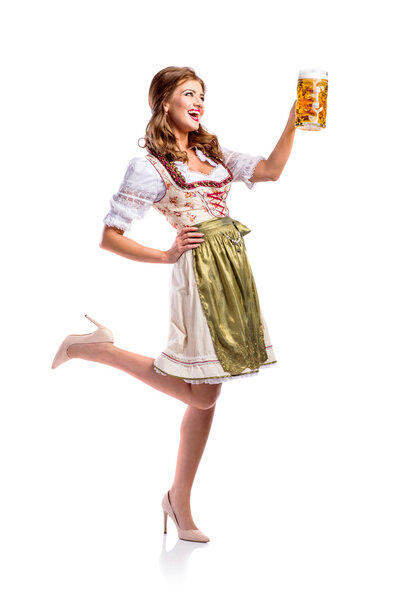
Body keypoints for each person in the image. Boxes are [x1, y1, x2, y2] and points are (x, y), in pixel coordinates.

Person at [51, 66, 297, 543]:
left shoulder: (211, 150)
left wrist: (293, 120)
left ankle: (178, 500)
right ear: (165, 102)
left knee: (208, 396)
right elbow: (110, 237)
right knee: (204, 393)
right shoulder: (150, 164)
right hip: (199, 273)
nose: (199, 100)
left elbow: (269, 170)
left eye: (202, 93)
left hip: (235, 270)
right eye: (189, 93)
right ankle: (96, 350)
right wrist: (166, 255)